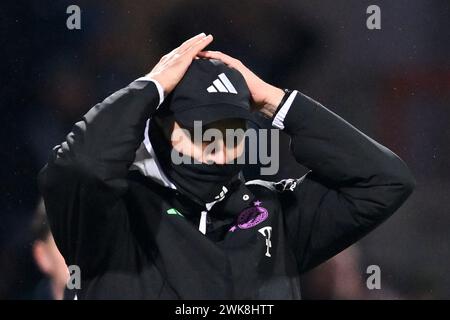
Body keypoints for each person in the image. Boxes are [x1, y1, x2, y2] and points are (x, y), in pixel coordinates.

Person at [38, 33, 415, 299]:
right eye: (203, 133)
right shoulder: (113, 216)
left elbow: (385, 181)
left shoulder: (273, 215)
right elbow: (78, 168)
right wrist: (150, 87)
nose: (219, 149)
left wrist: (275, 101)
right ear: (164, 127)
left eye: (233, 133)